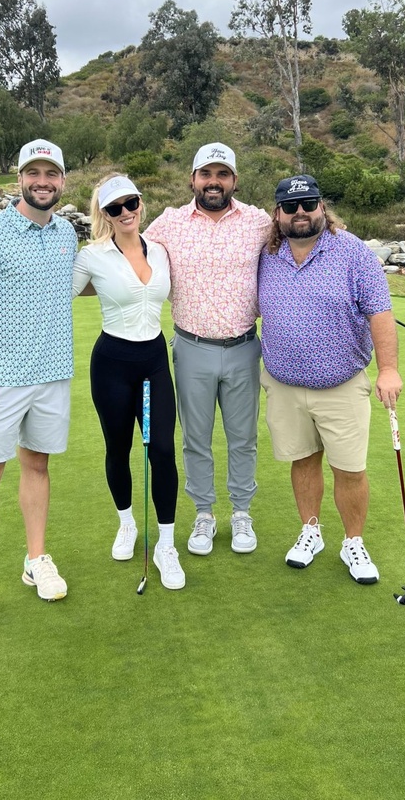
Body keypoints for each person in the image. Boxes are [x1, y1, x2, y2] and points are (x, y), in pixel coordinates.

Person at [0, 139, 77, 638]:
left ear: (62, 180)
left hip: (52, 373)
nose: (42, 181)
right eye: (34, 172)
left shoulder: (67, 234)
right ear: (19, 177)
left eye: (51, 173)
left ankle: (36, 559)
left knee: (38, 465)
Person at [257, 174, 403, 585]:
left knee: (350, 469)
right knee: (303, 460)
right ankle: (311, 531)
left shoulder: (354, 252)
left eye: (308, 204)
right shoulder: (267, 254)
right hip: (284, 384)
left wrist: (388, 369)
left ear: (322, 206)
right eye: (290, 206)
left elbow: (380, 312)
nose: (300, 212)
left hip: (341, 383)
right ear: (278, 214)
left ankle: (353, 541)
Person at [144, 143, 271, 557]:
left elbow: (300, 244)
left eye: (222, 174)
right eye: (206, 174)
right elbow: (129, 251)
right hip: (191, 347)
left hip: (243, 347)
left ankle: (241, 513)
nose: (213, 182)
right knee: (195, 439)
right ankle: (203, 513)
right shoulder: (170, 223)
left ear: (234, 180)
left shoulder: (258, 222)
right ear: (192, 179)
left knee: (243, 439)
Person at [72, 174, 184, 590]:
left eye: (130, 203)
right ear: (104, 214)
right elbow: (57, 294)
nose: (125, 213)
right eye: (114, 208)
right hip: (112, 364)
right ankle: (126, 524)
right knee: (117, 449)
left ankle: (166, 545)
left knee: (163, 451)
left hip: (153, 362)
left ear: (140, 202)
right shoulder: (92, 256)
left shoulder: (161, 249)